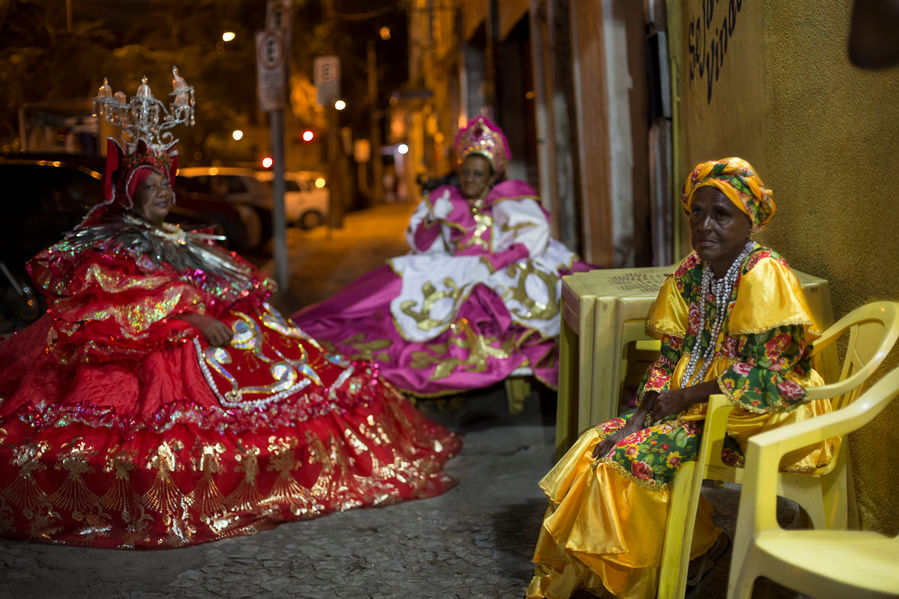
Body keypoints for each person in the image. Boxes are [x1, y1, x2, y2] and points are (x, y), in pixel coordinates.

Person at [0, 74, 460, 549]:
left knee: (283, 350)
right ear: (129, 194)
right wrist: (191, 320)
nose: (164, 193)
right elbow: (117, 311)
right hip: (148, 360)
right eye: (152, 186)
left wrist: (245, 292)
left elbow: (210, 282)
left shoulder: (175, 240)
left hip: (207, 340)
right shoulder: (112, 247)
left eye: (167, 184)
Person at [527, 157, 834, 599]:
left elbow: (776, 377)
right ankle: (688, 553)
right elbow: (668, 358)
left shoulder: (764, 274)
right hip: (700, 408)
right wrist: (641, 414)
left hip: (763, 413)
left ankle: (644, 579)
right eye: (698, 213)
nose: (706, 225)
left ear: (750, 222)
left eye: (721, 214)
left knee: (631, 460)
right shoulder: (692, 274)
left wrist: (685, 397)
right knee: (597, 445)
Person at [292, 116, 592, 396]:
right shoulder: (445, 200)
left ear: (491, 177)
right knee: (400, 277)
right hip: (453, 264)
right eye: (465, 173)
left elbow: (532, 237)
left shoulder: (509, 200)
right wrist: (434, 221)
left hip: (499, 265)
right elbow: (422, 246)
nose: (470, 180)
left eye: (478, 174)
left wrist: (494, 261)